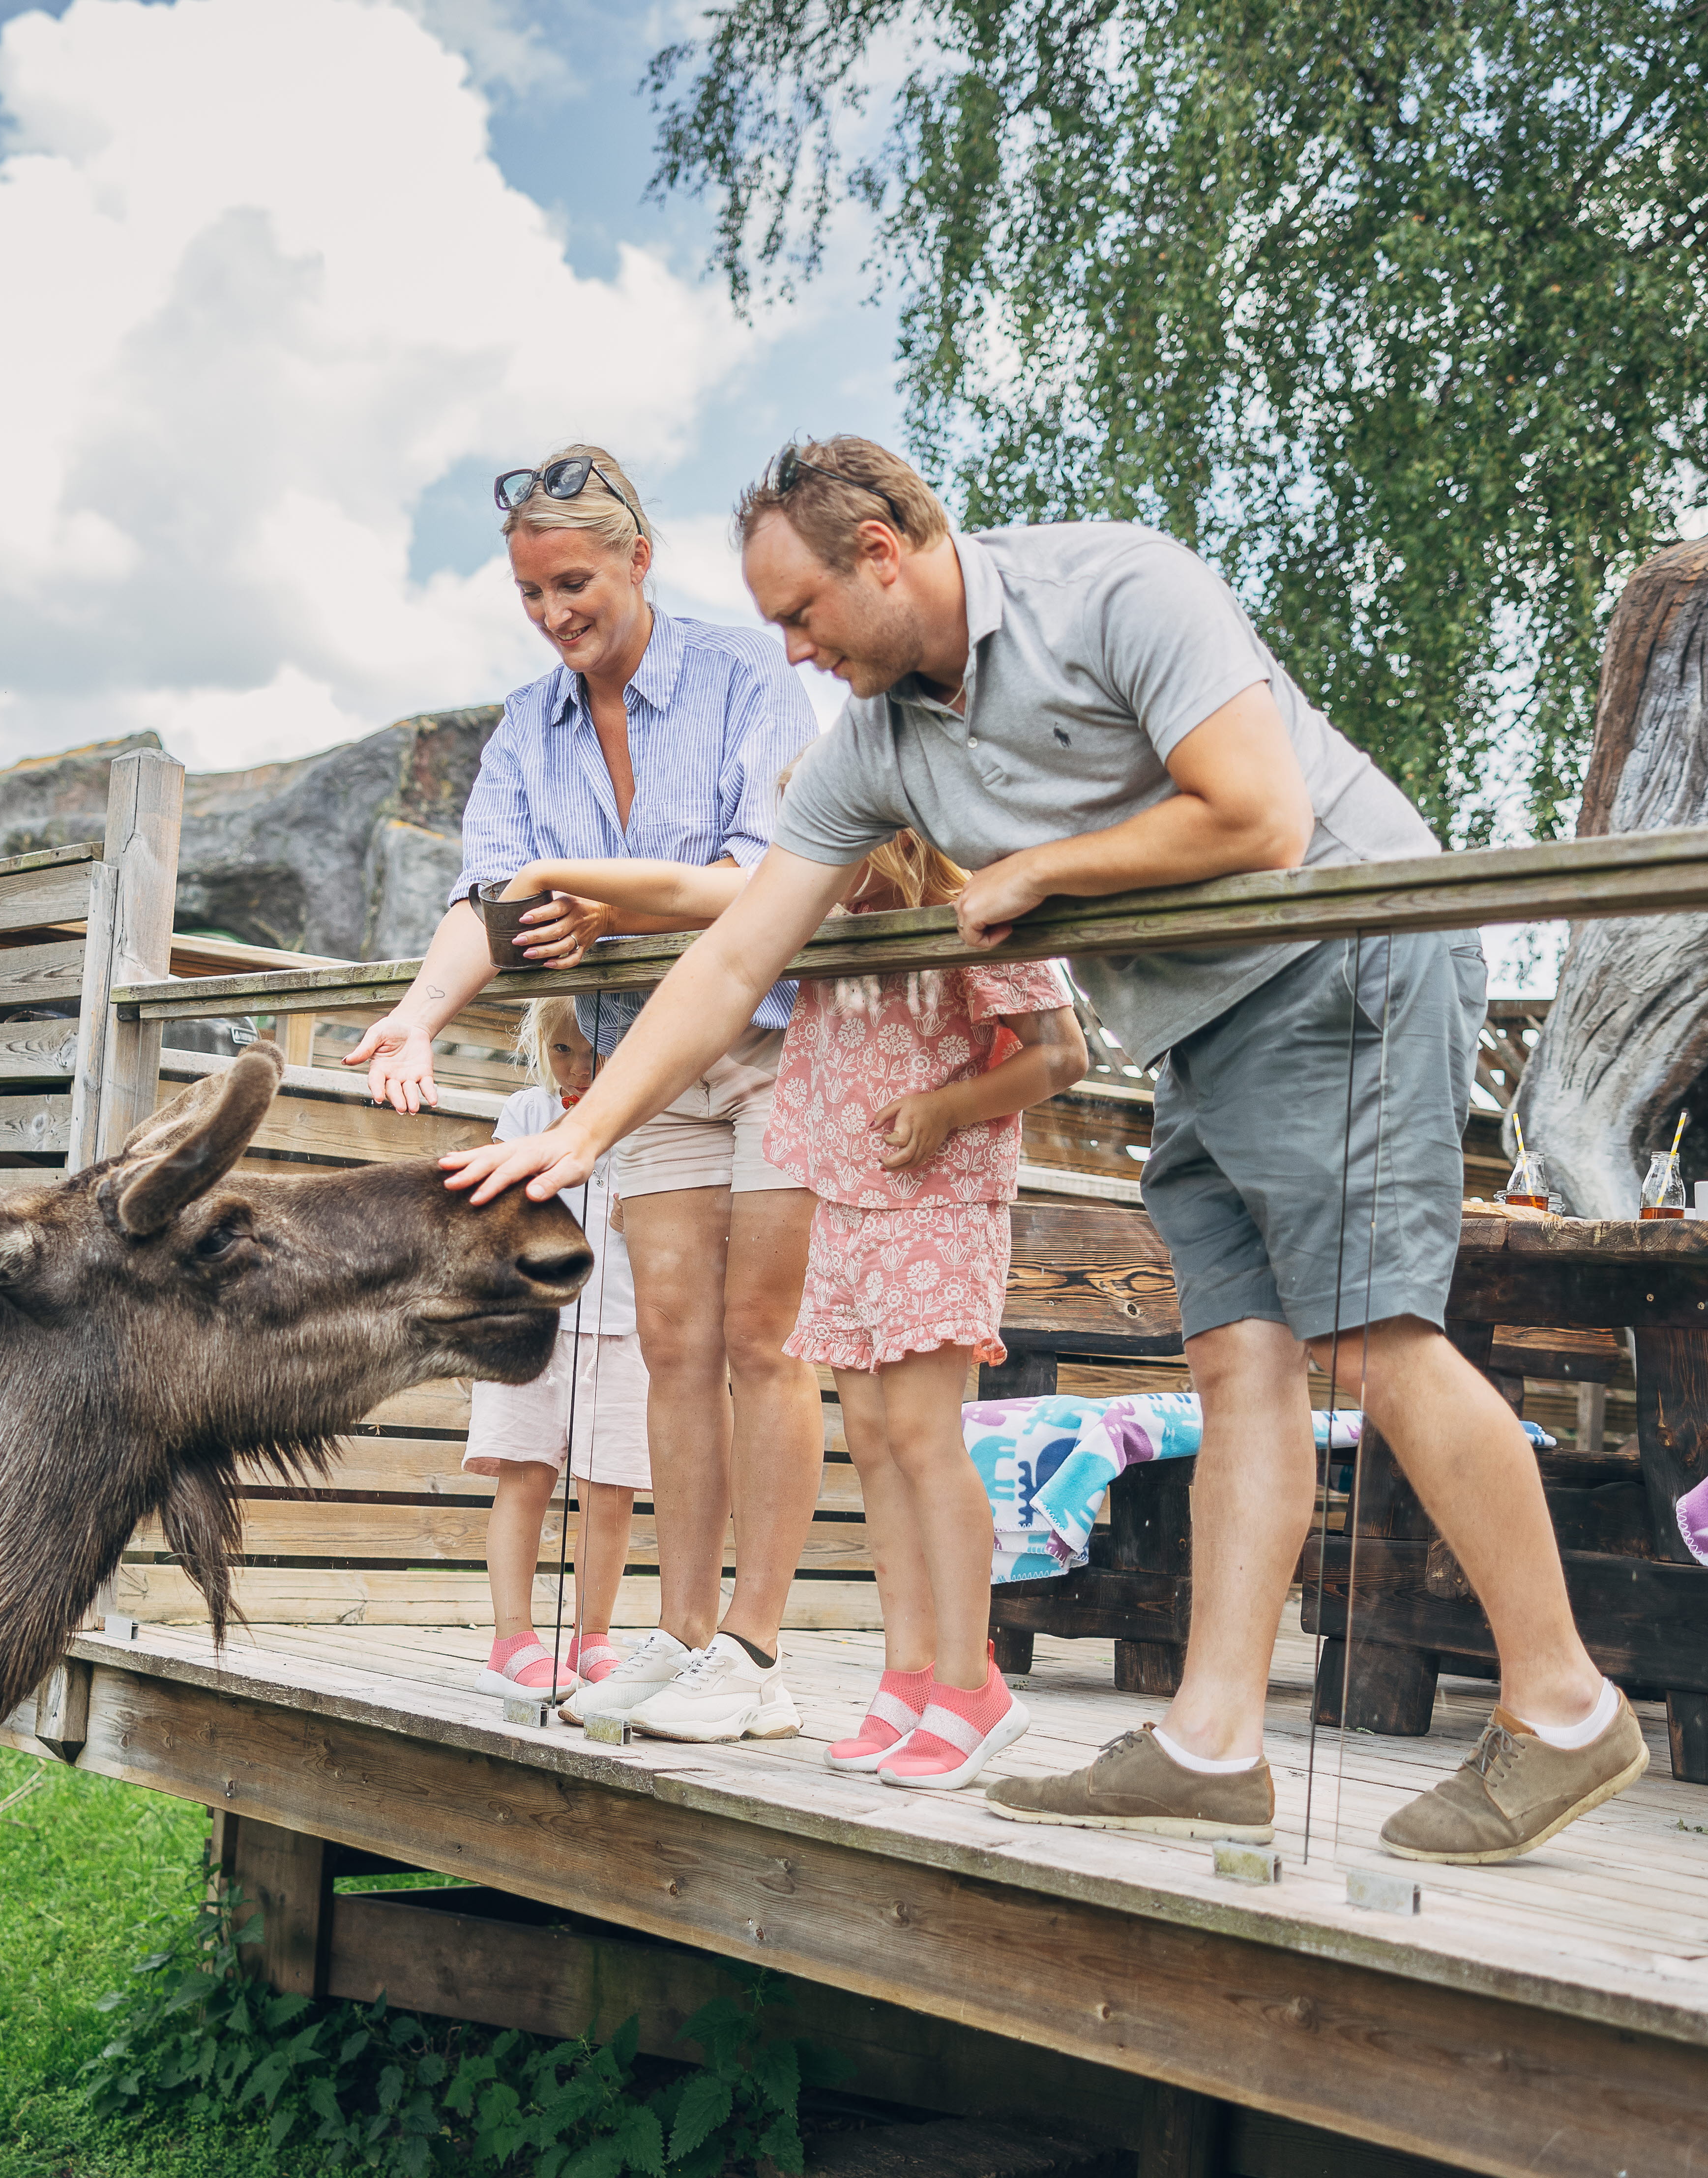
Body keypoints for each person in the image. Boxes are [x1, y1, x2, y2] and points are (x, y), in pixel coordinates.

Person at [445, 435, 1646, 1865]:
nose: (790, 648)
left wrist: (1042, 870)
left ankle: (1561, 1703)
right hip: (1198, 1021)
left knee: (1369, 1332)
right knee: (1238, 1362)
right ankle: (1210, 1745)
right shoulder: (877, 745)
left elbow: (1255, 813)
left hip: (1338, 953)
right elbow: (729, 959)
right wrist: (577, 1134)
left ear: (882, 552)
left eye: (802, 613)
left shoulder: (1117, 588)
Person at [346, 443, 824, 1744]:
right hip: (642, 1063)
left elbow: (770, 880)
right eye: (532, 595)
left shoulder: (741, 680)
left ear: (636, 561)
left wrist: (593, 887)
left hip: (778, 1044)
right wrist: (415, 1015)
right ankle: (676, 1642)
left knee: (759, 1345)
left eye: (575, 584)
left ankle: (756, 1653)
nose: (557, 615)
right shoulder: (527, 724)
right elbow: (489, 901)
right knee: (670, 1347)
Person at [765, 826, 1085, 1786]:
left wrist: (950, 1108)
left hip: (937, 1204)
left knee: (920, 1433)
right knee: (868, 1435)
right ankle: (908, 1671)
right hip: (843, 1200)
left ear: (890, 832)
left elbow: (1059, 1053)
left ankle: (970, 1681)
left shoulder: (976, 913)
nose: (805, 848)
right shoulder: (823, 917)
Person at [466, 1002, 648, 1704]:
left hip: (625, 1328)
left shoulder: (653, 1123)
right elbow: (505, 1204)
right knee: (527, 1476)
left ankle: (592, 1636)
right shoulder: (525, 1112)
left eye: (597, 1051)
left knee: (612, 1491)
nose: (579, 1067)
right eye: (565, 1050)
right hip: (533, 1327)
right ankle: (513, 1638)